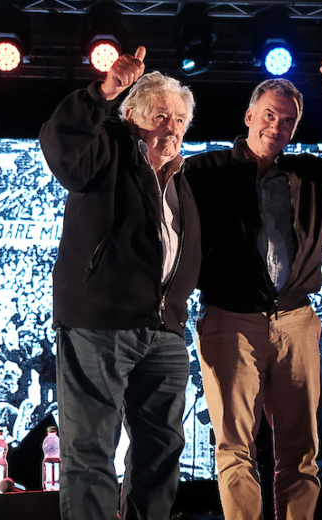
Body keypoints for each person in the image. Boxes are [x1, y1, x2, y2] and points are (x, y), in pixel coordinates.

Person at [184, 56, 322, 520]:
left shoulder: (313, 176)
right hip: (229, 320)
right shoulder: (204, 172)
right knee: (235, 446)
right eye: (269, 116)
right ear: (249, 117)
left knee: (300, 450)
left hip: (296, 321)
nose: (276, 126)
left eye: (287, 120)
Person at [39, 46, 201, 520]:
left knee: (161, 454)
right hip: (99, 323)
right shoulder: (104, 150)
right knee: (89, 455)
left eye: (180, 119)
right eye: (161, 114)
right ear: (131, 115)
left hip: (164, 333)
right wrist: (103, 91)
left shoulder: (182, 180)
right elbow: (61, 143)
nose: (171, 126)